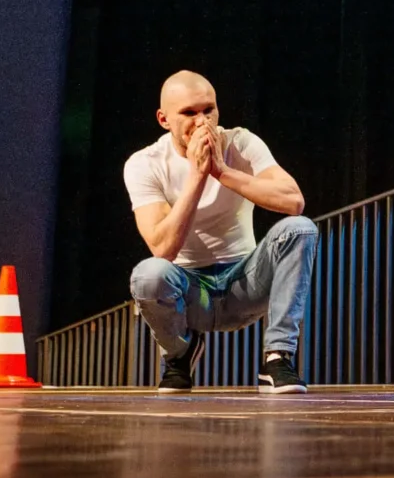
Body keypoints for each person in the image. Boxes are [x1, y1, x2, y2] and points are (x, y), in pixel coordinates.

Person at [125, 69, 317, 393]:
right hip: (191, 293)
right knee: (147, 275)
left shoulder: (240, 142)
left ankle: (277, 358)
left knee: (300, 229)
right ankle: (180, 354)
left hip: (244, 283)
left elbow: (293, 201)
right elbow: (162, 248)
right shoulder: (145, 163)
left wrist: (222, 172)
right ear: (164, 119)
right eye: (189, 113)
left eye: (208, 110)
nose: (202, 122)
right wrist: (198, 178)